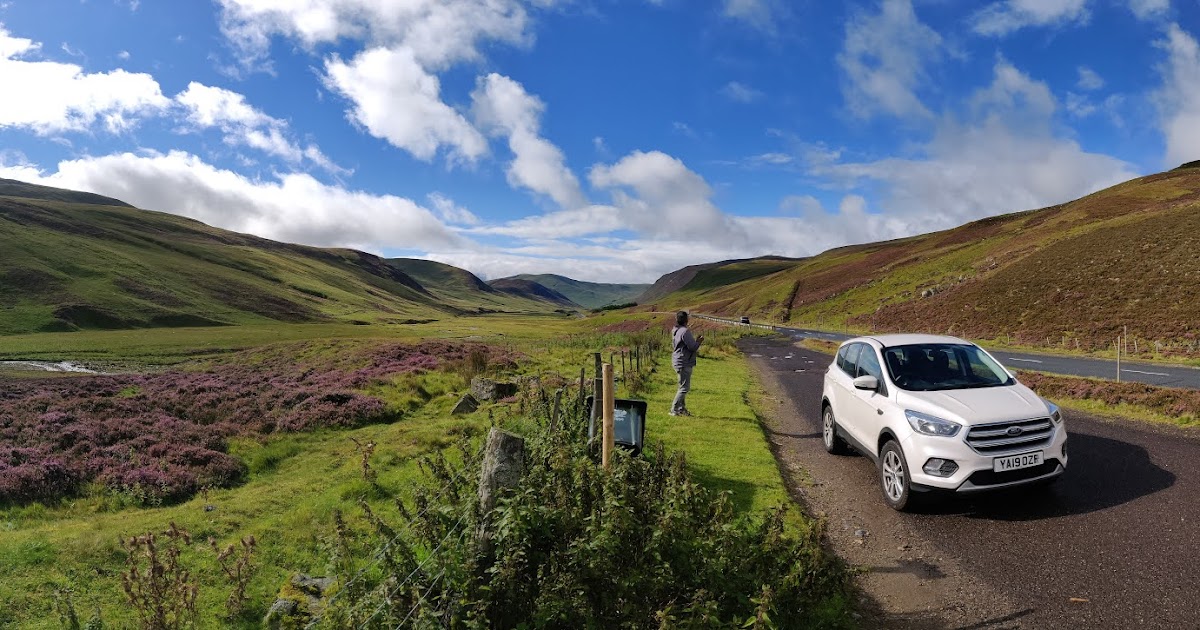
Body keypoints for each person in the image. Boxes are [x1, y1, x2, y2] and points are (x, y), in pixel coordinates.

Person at [670, 311, 703, 416]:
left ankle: (681, 409)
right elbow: (692, 347)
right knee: (684, 388)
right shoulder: (685, 331)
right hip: (684, 362)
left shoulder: (676, 330)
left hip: (678, 360)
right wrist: (699, 341)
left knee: (682, 386)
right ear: (686, 320)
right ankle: (674, 409)